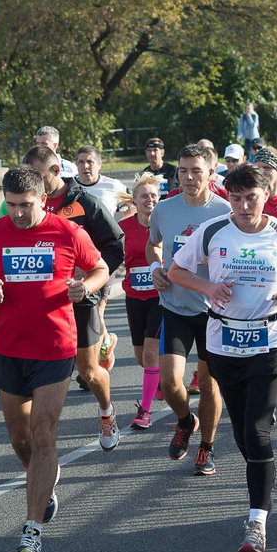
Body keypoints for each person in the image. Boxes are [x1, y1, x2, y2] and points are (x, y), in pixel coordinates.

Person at [0, 166, 109, 552]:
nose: (18, 214)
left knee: (43, 431)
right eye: (10, 206)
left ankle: (31, 532)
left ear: (42, 200)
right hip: (8, 348)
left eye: (25, 206)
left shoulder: (66, 233)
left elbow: (99, 267)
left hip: (55, 347)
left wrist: (88, 287)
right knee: (20, 438)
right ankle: (43, 479)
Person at [168, 163, 277, 552]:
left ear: (266, 195)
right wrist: (208, 286)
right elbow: (176, 270)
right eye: (236, 198)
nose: (243, 206)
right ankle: (262, 471)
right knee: (243, 433)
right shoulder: (212, 231)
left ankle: (256, 521)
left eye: (251, 198)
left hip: (270, 338)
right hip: (222, 341)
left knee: (256, 431)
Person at [21, 145, 125, 449]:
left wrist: (89, 280)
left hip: (80, 298)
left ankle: (107, 412)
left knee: (89, 371)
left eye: (37, 176)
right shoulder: (28, 206)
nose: (32, 184)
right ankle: (40, 442)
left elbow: (115, 246)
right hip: (40, 302)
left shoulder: (84, 204)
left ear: (55, 171)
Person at [148, 144, 231, 474]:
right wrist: (156, 267)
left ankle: (206, 448)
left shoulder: (225, 211)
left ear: (211, 173)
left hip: (213, 311)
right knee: (169, 383)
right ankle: (185, 420)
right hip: (175, 305)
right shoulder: (164, 210)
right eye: (183, 170)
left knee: (210, 386)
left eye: (197, 170)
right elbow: (152, 244)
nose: (188, 177)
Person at [118, 176, 163, 429]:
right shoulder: (123, 228)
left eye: (154, 196)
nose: (150, 200)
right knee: (140, 357)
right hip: (134, 295)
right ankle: (159, 383)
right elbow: (112, 257)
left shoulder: (166, 225)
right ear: (134, 200)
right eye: (144, 196)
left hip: (160, 296)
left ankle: (144, 411)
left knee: (150, 351)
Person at [73, 145, 126, 216]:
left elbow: (134, 204)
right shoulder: (68, 186)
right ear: (76, 164)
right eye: (81, 162)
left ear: (99, 164)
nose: (85, 166)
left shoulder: (113, 185)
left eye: (90, 162)